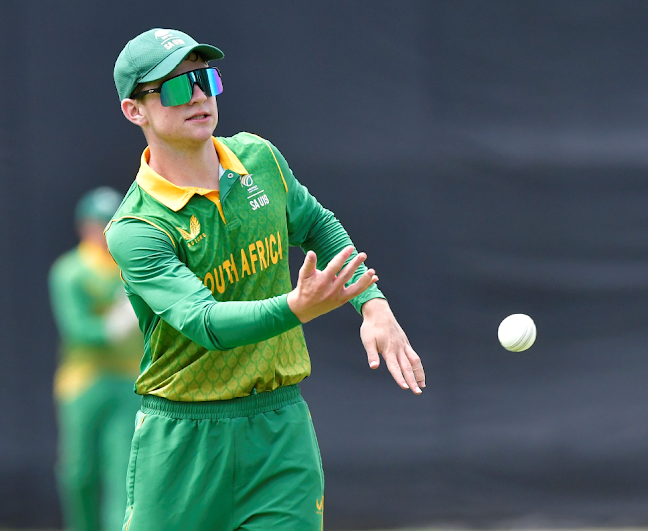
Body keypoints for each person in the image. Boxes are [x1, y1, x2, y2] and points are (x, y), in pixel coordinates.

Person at [107, 28, 426, 530]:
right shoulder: (137, 227)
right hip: (185, 440)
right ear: (135, 111)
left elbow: (317, 223)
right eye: (172, 87)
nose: (197, 95)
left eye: (204, 78)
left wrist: (372, 302)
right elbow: (205, 323)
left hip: (279, 431)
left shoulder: (260, 159)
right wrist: (297, 307)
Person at [48, 187, 144, 531]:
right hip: (84, 383)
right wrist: (112, 328)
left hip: (128, 383)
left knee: (123, 472)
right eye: (97, 223)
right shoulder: (71, 271)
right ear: (84, 226)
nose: (104, 231)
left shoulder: (133, 267)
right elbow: (77, 330)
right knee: (79, 472)